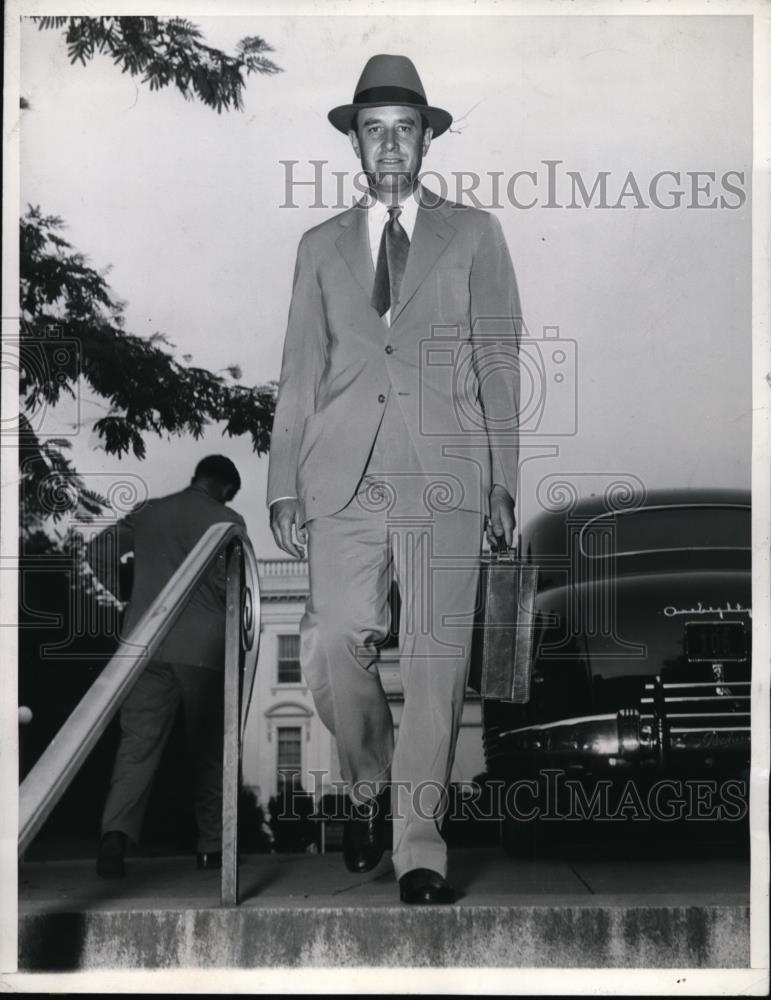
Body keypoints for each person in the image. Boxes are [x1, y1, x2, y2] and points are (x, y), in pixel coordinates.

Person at [268, 54, 521, 904]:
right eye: (372, 130)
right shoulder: (318, 247)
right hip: (341, 478)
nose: (388, 146)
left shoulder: (474, 234)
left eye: (403, 130)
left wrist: (502, 480)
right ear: (354, 143)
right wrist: (280, 483)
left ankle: (419, 845)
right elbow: (298, 370)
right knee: (336, 638)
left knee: (437, 662)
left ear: (425, 141)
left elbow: (497, 361)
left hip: (447, 475)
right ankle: (370, 785)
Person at [87, 455, 246, 878]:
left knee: (136, 746)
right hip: (203, 648)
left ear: (197, 476)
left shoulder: (149, 512)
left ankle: (113, 841)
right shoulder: (228, 520)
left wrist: (131, 598)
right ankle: (212, 848)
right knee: (211, 750)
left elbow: (97, 549)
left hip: (143, 645)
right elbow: (229, 587)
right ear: (227, 488)